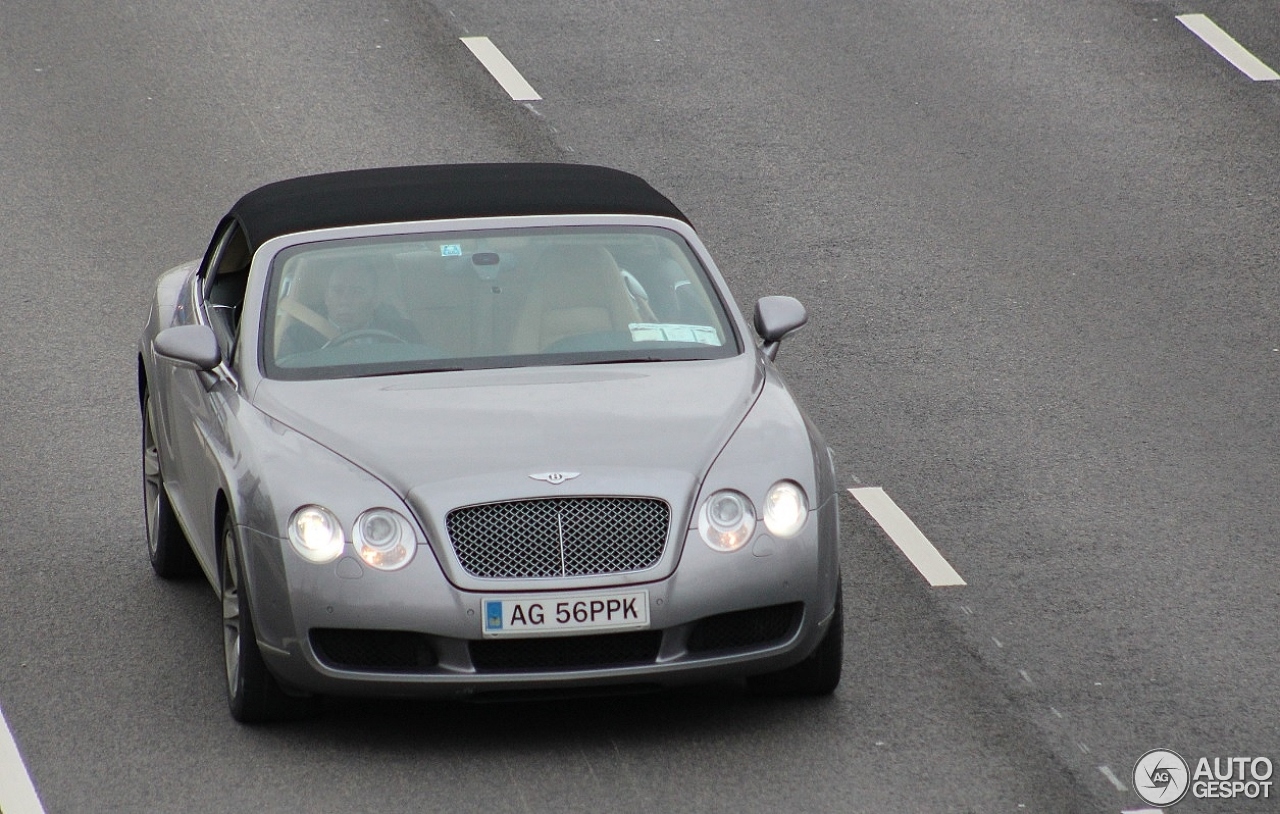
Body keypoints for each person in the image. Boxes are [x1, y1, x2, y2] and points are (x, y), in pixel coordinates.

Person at [276, 260, 422, 358]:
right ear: (326, 297)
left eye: (357, 291)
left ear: (375, 300)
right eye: (337, 290)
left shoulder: (402, 332)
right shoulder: (298, 337)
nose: (345, 300)